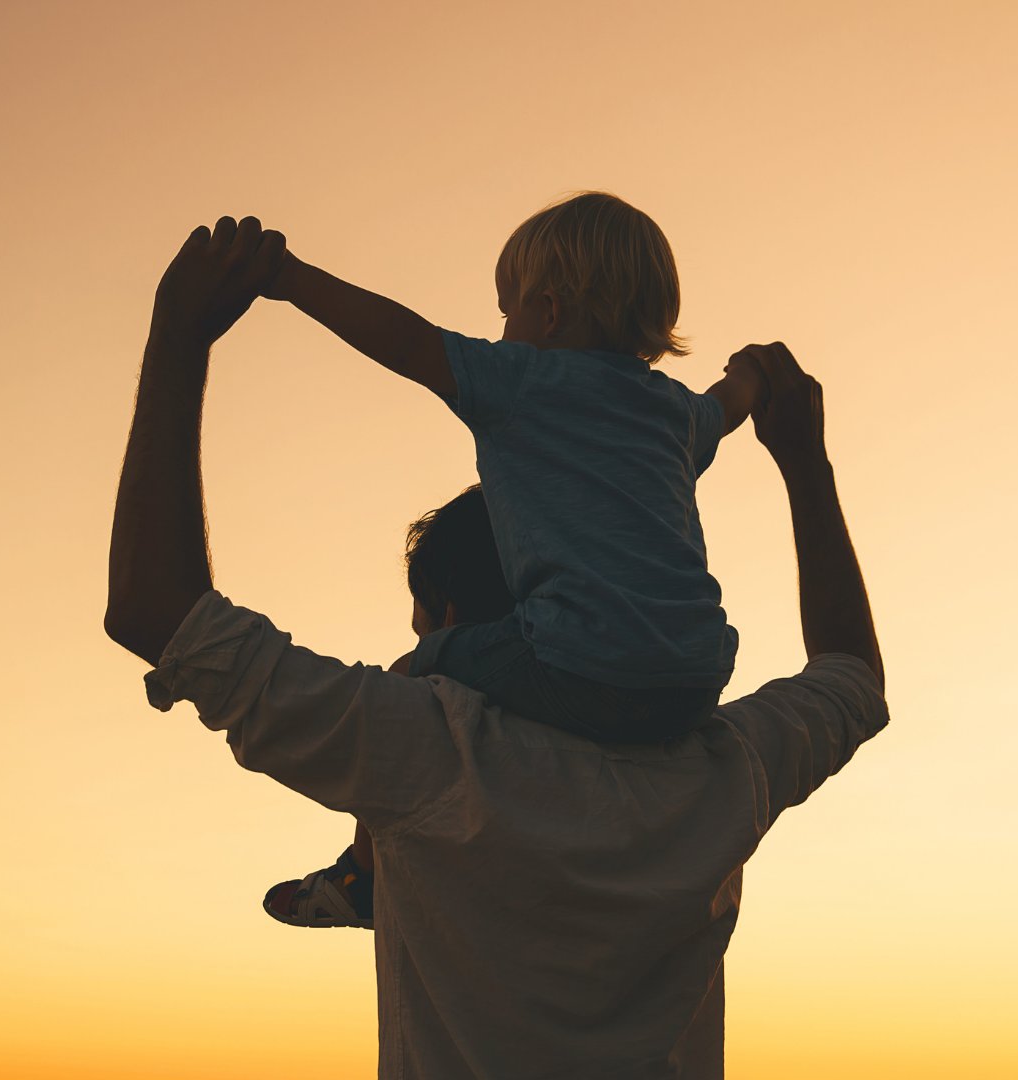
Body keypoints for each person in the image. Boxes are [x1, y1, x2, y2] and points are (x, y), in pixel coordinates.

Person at [106, 217, 888, 1078]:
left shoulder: (431, 755)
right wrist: (804, 459)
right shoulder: (728, 773)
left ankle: (354, 880)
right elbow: (853, 677)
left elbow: (156, 611)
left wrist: (184, 330)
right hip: (697, 675)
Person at [259, 192, 768, 925]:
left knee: (415, 671)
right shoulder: (676, 414)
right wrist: (753, 372)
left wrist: (291, 278)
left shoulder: (523, 382)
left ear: (550, 313)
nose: (500, 331)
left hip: (578, 662)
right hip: (696, 678)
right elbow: (730, 403)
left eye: (508, 311)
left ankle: (359, 878)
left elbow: (403, 339)